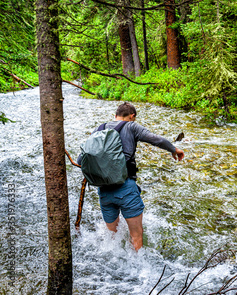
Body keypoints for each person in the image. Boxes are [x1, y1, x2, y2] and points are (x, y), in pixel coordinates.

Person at [78, 102, 184, 250]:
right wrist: (174, 149)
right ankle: (137, 269)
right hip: (126, 188)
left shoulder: (98, 129)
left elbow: (80, 160)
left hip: (104, 192)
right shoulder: (131, 127)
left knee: (111, 239)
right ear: (132, 116)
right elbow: (156, 139)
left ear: (115, 115)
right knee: (136, 236)